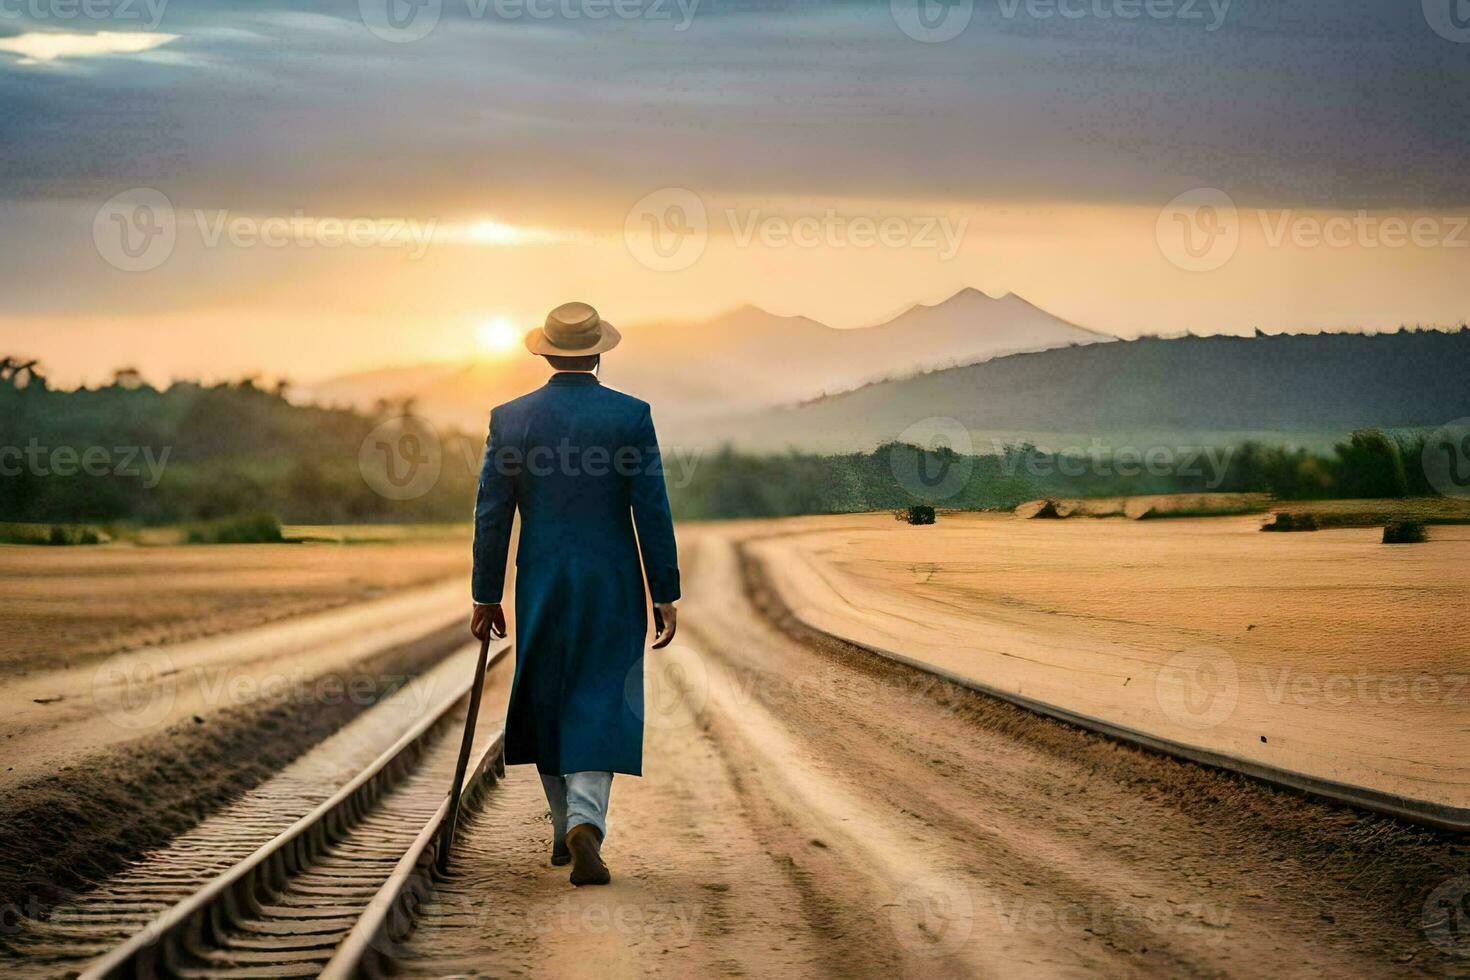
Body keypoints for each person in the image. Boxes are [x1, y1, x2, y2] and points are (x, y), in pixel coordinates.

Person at [470, 301, 680, 886]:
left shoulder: (510, 419)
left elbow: (493, 512)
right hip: (612, 582)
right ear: (597, 353)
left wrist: (486, 594)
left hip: (541, 581)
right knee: (600, 696)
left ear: (545, 352)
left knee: (548, 695)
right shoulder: (630, 416)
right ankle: (584, 823)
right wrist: (664, 590)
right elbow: (652, 508)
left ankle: (565, 822)